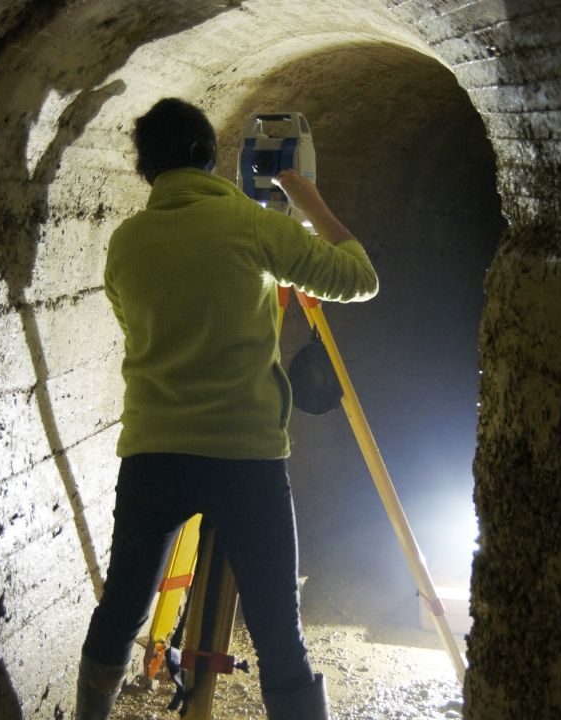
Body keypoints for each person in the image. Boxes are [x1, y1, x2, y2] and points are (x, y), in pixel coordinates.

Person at [76, 97, 378, 720]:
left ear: (147, 170)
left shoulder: (126, 243)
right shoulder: (251, 225)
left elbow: (136, 328)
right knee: (277, 632)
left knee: (120, 611)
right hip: (246, 461)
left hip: (152, 457)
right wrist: (306, 201)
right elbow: (359, 277)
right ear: (213, 158)